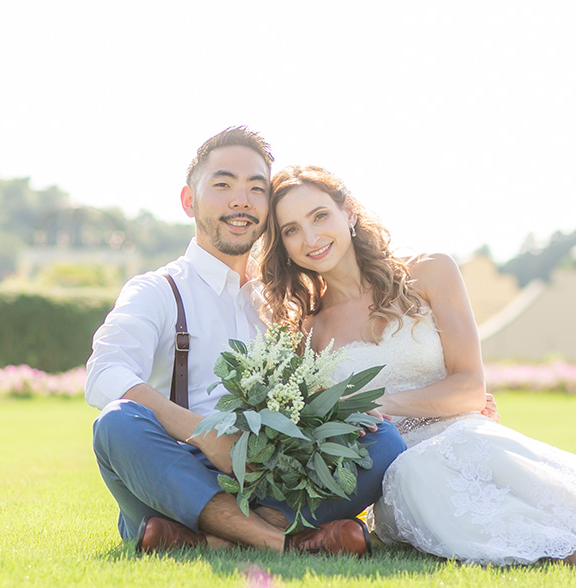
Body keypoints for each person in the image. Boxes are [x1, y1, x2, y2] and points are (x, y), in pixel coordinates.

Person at [258, 164, 576, 567]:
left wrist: (383, 403)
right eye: (292, 230)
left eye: (319, 215)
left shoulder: (429, 273)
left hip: (464, 435)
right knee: (416, 478)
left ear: (348, 212)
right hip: (393, 470)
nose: (311, 237)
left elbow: (471, 388)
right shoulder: (309, 331)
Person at [86, 129, 407, 556]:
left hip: (273, 479)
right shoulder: (158, 291)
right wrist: (205, 437)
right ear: (189, 201)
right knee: (116, 424)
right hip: (181, 471)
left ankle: (211, 537)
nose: (241, 200)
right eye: (222, 185)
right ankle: (283, 542)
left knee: (384, 440)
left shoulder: (283, 301)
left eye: (256, 188)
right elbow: (105, 373)